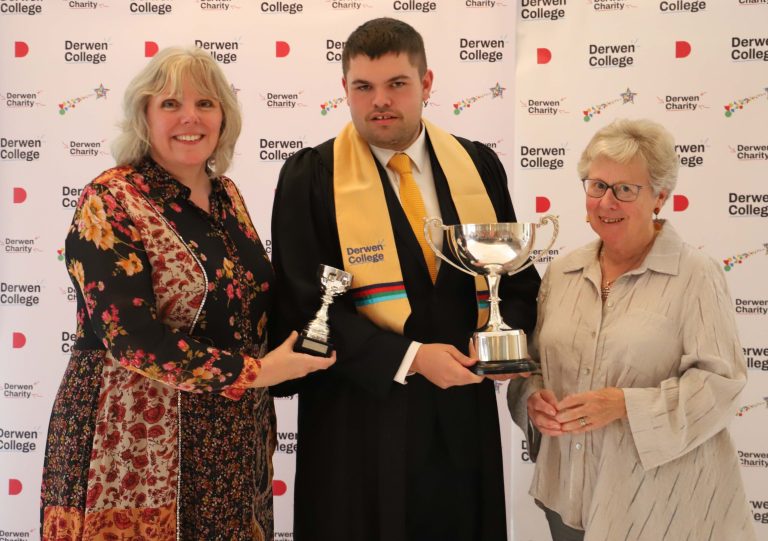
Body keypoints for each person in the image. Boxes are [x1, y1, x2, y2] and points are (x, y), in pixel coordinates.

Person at [40, 46, 334, 541]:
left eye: (206, 103)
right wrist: (258, 372)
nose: (190, 118)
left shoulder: (228, 197)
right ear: (145, 116)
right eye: (170, 104)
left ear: (224, 117)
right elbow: (131, 339)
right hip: (133, 446)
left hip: (231, 446)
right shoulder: (111, 199)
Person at [270, 17, 540, 541]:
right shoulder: (309, 177)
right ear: (344, 91)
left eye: (398, 84)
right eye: (363, 87)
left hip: (461, 415)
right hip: (356, 418)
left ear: (427, 84)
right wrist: (410, 358)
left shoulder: (478, 166)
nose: (380, 102)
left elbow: (517, 281)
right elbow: (305, 308)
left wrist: (502, 348)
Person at [507, 118, 755, 541]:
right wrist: (533, 398)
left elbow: (721, 385)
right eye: (597, 185)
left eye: (626, 189)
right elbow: (534, 364)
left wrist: (624, 405)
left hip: (659, 506)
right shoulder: (563, 272)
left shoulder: (696, 274)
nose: (607, 202)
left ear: (660, 197)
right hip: (567, 496)